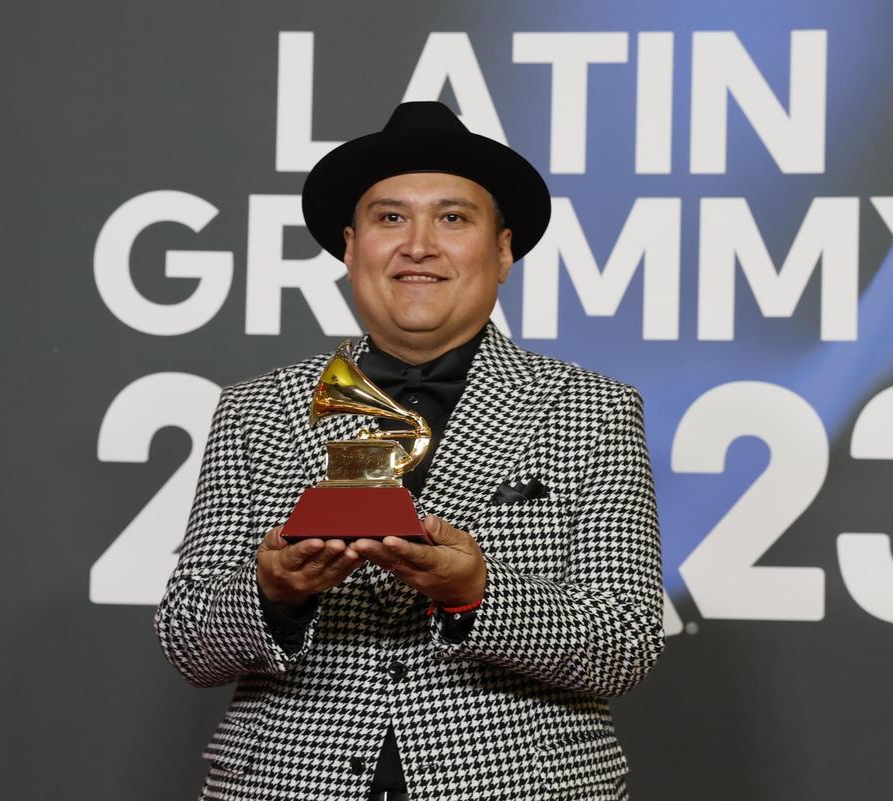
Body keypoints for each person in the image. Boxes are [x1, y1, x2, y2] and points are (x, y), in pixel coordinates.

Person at [155, 101, 664, 801]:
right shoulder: (255, 409)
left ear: (504, 250)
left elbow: (626, 642)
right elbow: (187, 636)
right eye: (389, 217)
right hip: (285, 782)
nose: (417, 244)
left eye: (453, 218)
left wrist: (478, 594)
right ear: (350, 245)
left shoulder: (593, 410)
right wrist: (271, 591)